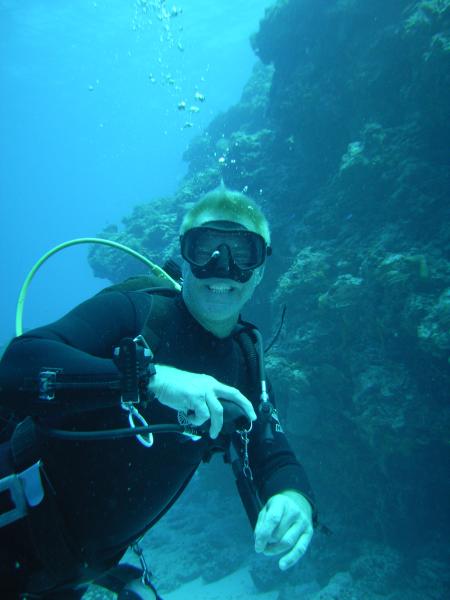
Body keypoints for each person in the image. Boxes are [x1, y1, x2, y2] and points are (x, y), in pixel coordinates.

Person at [0, 184, 316, 599]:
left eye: (243, 251)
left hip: (70, 577)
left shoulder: (244, 365)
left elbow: (271, 450)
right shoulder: (135, 313)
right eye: (205, 248)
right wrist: (151, 380)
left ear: (259, 271)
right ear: (185, 256)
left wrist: (293, 498)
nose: (222, 266)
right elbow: (16, 369)